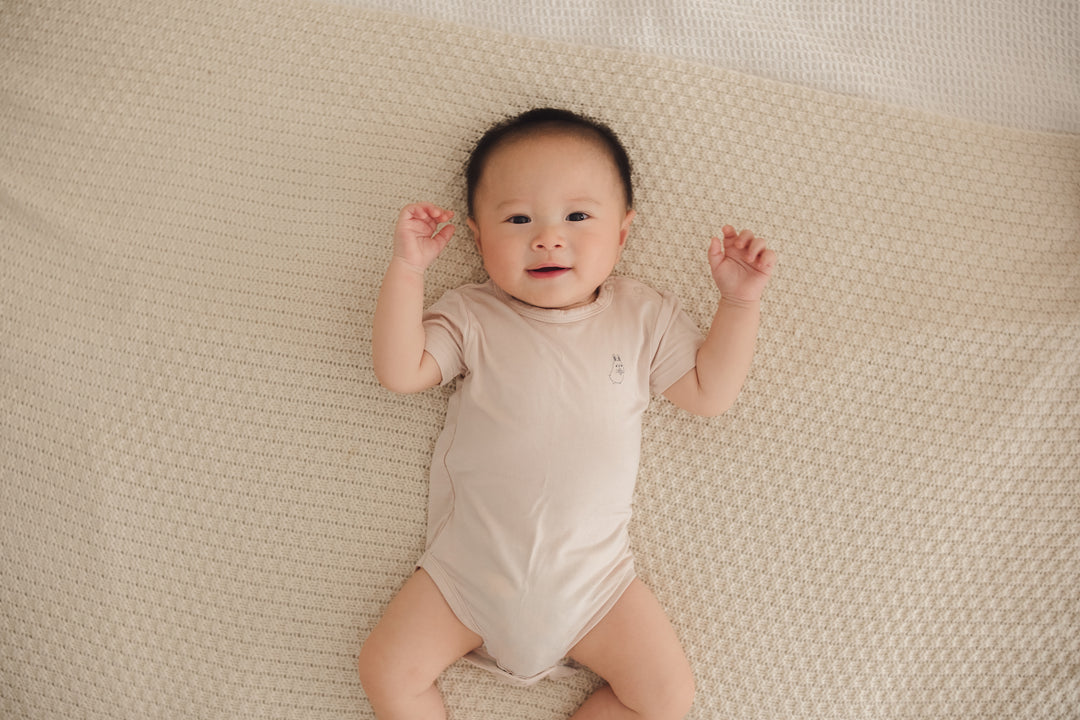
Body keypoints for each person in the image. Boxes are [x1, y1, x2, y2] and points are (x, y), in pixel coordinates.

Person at [359, 108, 775, 720]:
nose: (548, 237)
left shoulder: (642, 317)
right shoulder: (474, 314)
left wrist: (738, 303)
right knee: (386, 670)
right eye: (518, 218)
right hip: (465, 575)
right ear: (478, 238)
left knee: (666, 698)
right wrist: (408, 270)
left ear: (623, 233)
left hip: (596, 586)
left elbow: (708, 393)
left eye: (578, 216)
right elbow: (400, 371)